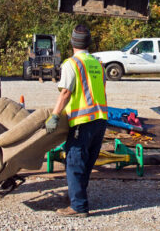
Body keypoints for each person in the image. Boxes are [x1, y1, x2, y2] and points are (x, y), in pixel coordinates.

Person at [45, 24, 108, 217]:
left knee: (74, 161)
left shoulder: (71, 64)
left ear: (72, 42)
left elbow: (65, 92)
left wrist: (54, 116)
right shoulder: (97, 63)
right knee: (86, 162)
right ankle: (76, 196)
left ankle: (78, 207)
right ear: (88, 42)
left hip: (83, 120)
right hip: (100, 118)